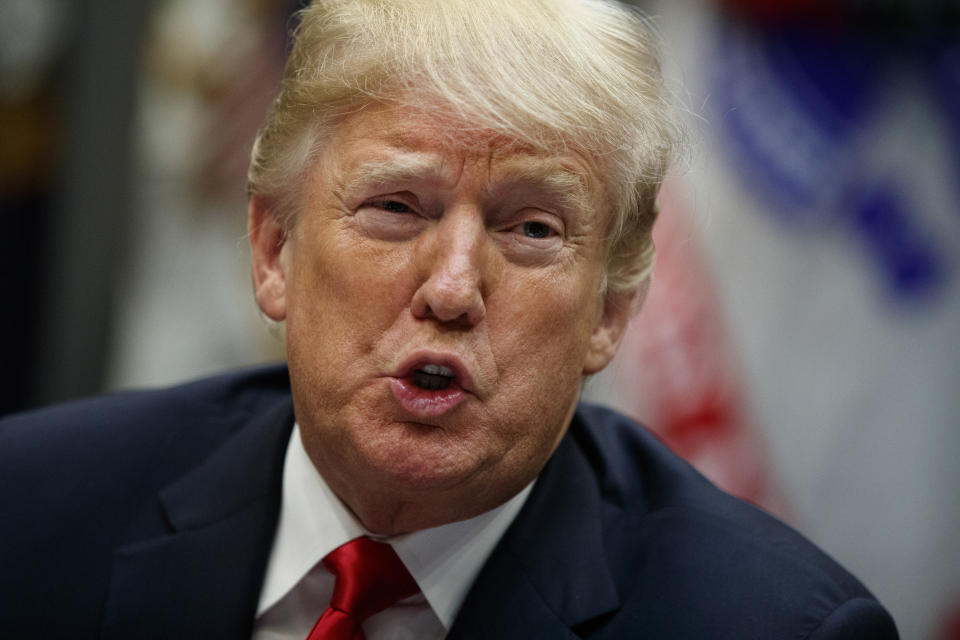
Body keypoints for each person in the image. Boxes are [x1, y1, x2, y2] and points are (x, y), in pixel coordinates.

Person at [0, 0, 898, 638]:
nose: (454, 288)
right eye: (397, 207)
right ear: (273, 251)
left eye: (531, 228)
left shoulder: (774, 626)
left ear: (612, 310)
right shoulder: (30, 510)